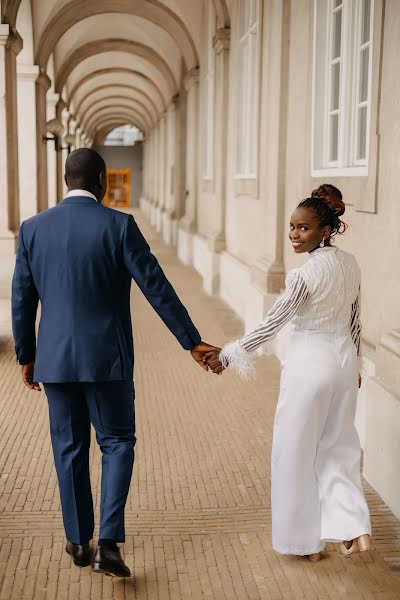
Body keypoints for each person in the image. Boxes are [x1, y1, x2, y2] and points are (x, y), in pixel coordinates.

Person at [12, 148, 220, 577]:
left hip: (55, 359)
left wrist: (27, 355)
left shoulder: (33, 229)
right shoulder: (119, 225)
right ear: (103, 180)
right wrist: (190, 340)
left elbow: (22, 299)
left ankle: (76, 540)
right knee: (117, 443)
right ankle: (108, 544)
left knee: (68, 448)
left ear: (66, 180)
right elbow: (156, 286)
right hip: (108, 359)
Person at [205, 184, 371, 561]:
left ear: (325, 230)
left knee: (294, 453)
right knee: (338, 447)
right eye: (292, 228)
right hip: (343, 364)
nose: (295, 235)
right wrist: (355, 365)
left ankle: (305, 544)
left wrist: (229, 355)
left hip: (310, 367)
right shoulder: (351, 264)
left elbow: (272, 323)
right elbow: (356, 321)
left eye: (304, 228)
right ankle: (353, 526)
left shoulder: (303, 276)